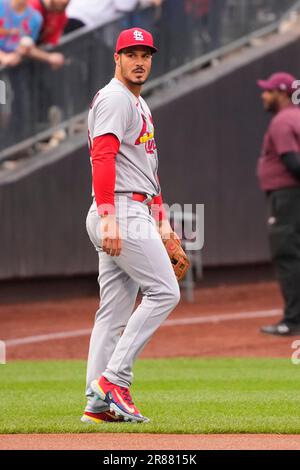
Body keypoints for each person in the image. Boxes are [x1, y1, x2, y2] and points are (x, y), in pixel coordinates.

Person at [82, 27, 181, 424]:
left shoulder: (139, 104)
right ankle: (115, 381)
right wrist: (108, 217)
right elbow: (102, 157)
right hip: (119, 210)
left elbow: (147, 170)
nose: (139, 61)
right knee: (164, 291)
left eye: (145, 54)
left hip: (131, 208)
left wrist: (164, 224)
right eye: (131, 54)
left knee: (112, 313)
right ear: (117, 59)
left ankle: (97, 405)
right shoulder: (115, 99)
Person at [257, 72, 300, 336]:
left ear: (283, 93)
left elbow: (293, 162)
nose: (264, 94)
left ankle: (293, 320)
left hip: (287, 197)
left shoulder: (282, 121)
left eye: (269, 90)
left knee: (287, 255)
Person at [0, 0, 42, 67]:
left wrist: (21, 52)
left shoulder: (35, 18)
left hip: (12, 67)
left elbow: (29, 48)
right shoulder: (2, 4)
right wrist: (3, 56)